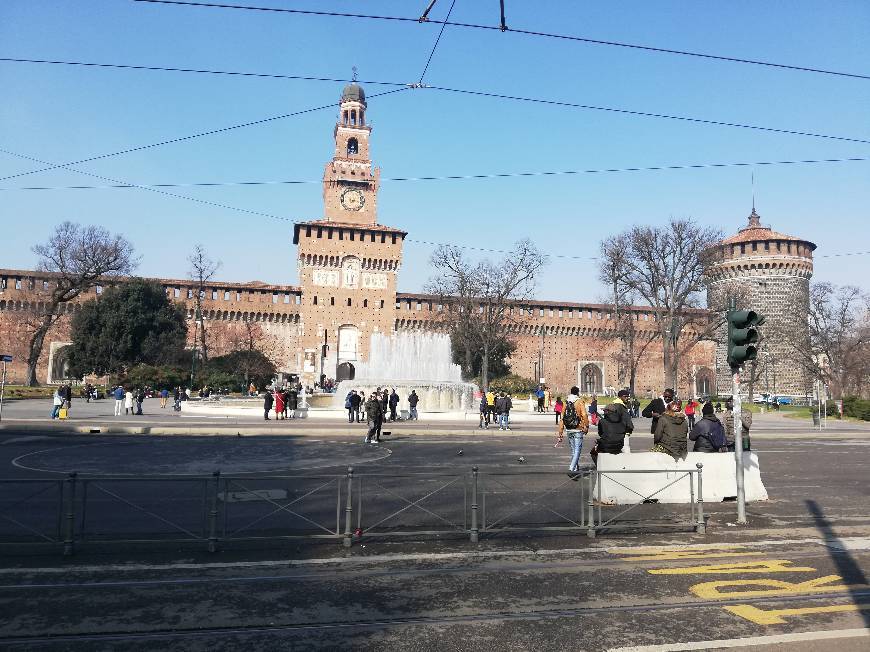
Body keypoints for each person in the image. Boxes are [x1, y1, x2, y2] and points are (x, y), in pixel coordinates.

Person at [592, 388, 635, 463]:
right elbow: (625, 421)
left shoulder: (618, 406)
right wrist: (627, 429)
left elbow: (601, 432)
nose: (627, 398)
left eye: (628, 396)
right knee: (625, 451)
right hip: (622, 434)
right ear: (620, 397)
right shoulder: (619, 406)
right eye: (625, 396)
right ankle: (626, 466)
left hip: (616, 436)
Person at [557, 386, 590, 476]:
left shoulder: (566, 402)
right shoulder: (579, 401)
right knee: (577, 450)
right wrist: (586, 426)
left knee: (573, 450)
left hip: (568, 429)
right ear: (578, 392)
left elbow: (562, 418)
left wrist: (560, 432)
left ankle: (575, 469)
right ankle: (571, 469)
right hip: (578, 429)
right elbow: (584, 414)